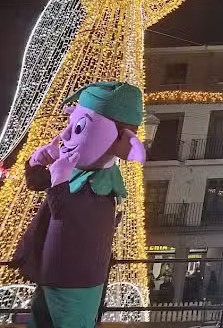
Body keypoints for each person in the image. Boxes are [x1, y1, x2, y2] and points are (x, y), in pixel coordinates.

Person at [11, 81, 146, 328]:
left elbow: (65, 214)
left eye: (79, 127)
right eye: (71, 123)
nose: (65, 136)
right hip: (49, 274)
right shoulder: (76, 170)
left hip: (75, 281)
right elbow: (37, 183)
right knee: (41, 322)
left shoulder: (103, 189)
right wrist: (36, 161)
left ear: (122, 143)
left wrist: (59, 179)